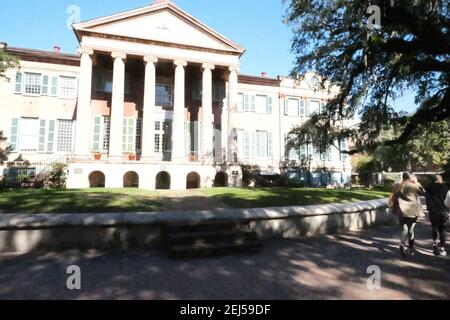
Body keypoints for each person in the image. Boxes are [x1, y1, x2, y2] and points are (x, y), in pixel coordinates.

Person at [395, 172, 425, 257]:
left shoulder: (398, 185)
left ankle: (402, 244)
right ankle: (411, 248)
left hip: (401, 211)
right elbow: (423, 192)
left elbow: (394, 195)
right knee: (411, 229)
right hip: (413, 210)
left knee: (404, 229)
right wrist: (416, 182)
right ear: (409, 178)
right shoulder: (414, 185)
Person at [425, 175, 449, 257]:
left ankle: (435, 243)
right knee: (443, 230)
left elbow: (427, 200)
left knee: (434, 228)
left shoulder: (429, 188)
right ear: (441, 180)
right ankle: (442, 248)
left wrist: (429, 208)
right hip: (443, 211)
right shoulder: (446, 188)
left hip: (433, 211)